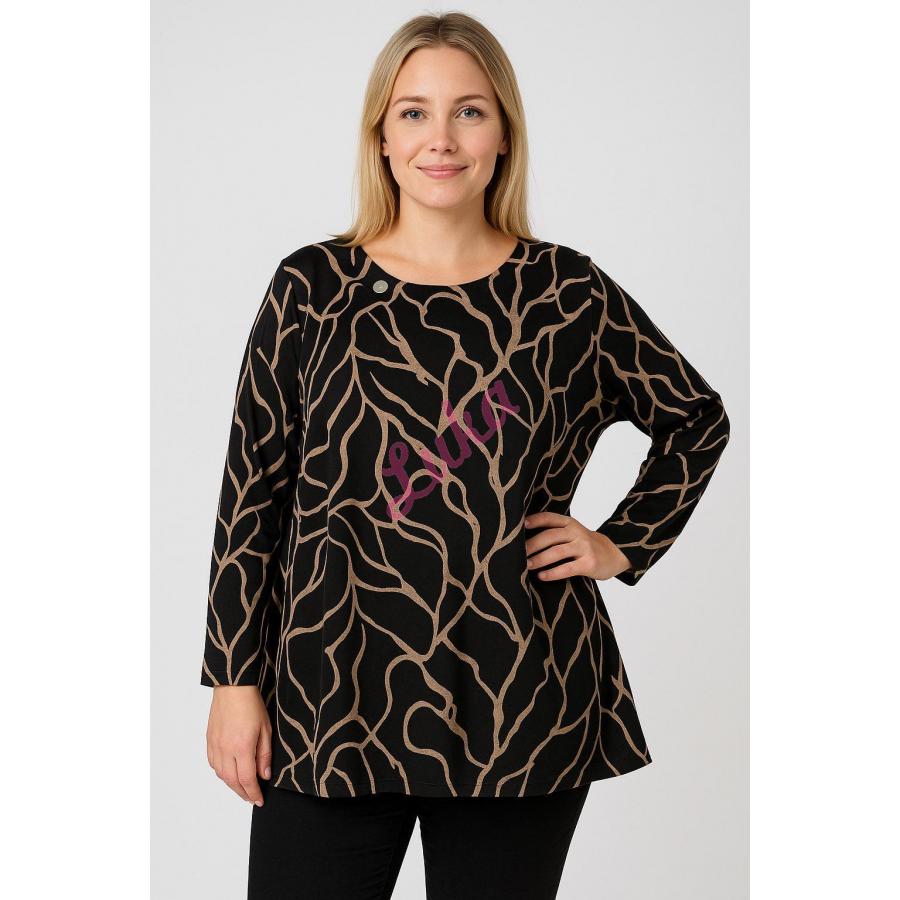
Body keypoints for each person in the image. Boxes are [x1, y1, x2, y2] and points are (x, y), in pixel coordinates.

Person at [200, 11, 731, 900]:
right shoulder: (312, 288)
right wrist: (231, 680)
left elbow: (695, 417)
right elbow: (251, 493)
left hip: (520, 696)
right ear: (380, 135)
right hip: (328, 695)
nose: (439, 139)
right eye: (413, 112)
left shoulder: (566, 294)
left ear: (504, 134)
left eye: (469, 112)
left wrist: (620, 542)